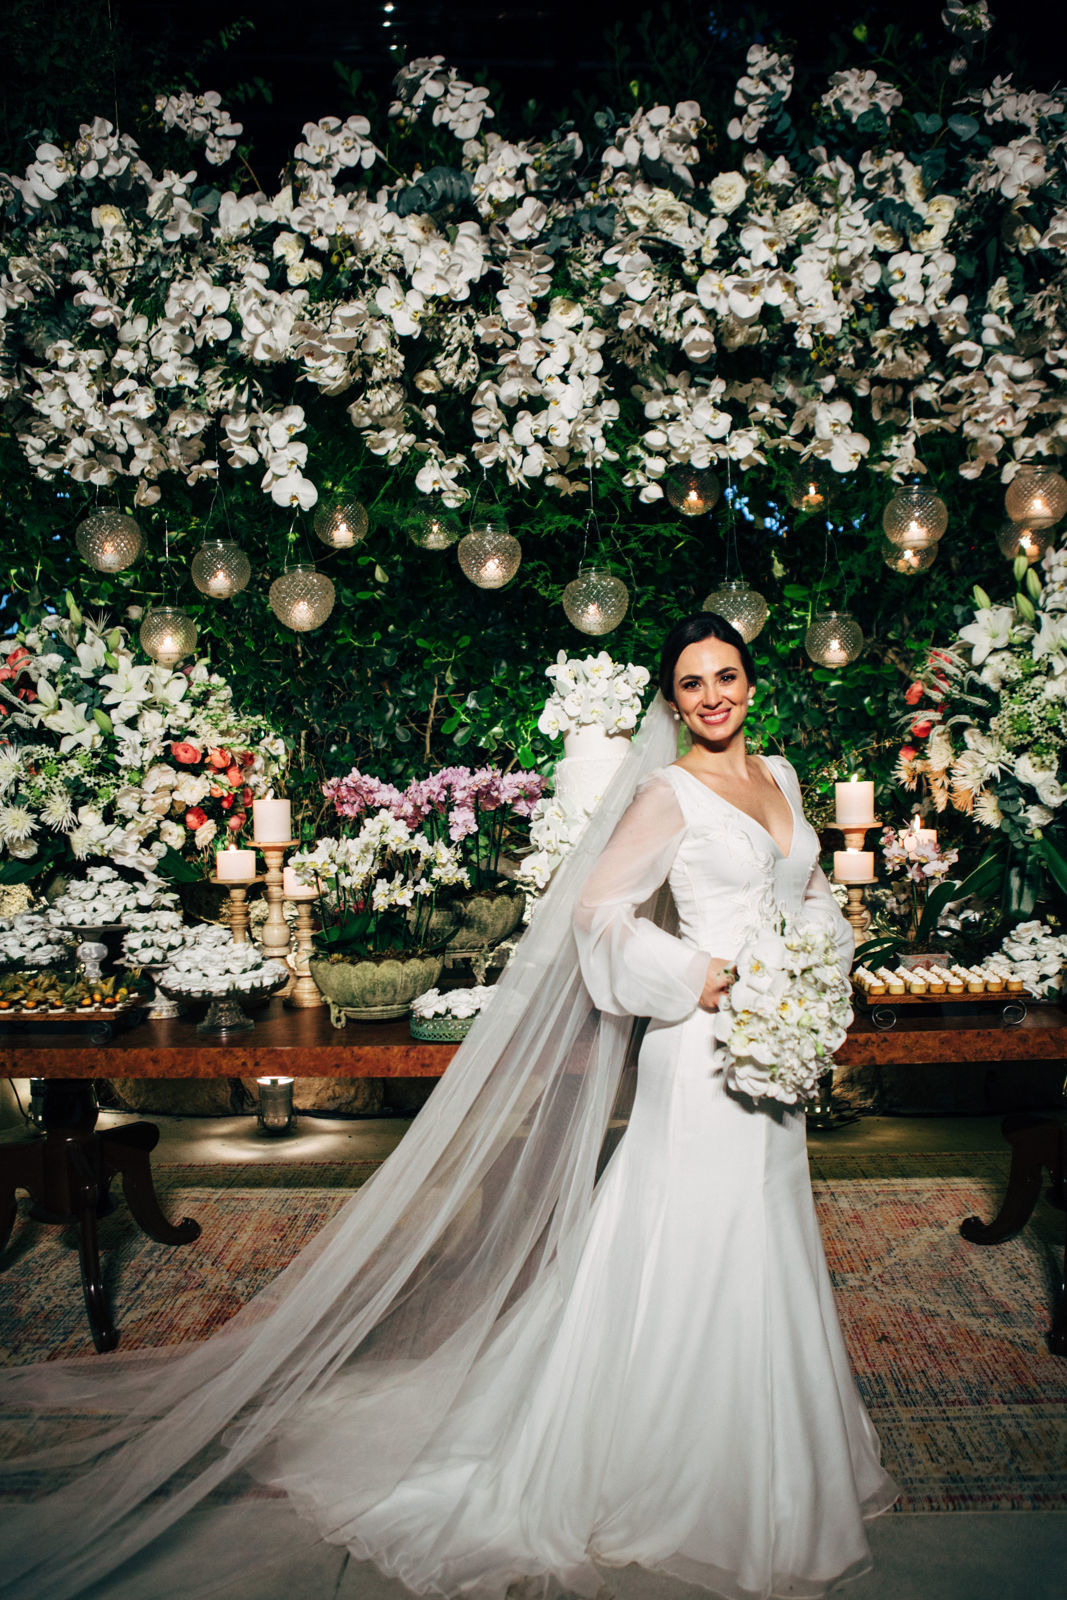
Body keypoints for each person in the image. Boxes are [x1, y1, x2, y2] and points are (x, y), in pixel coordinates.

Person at [0, 614, 895, 1600]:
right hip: (703, 1047)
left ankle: (775, 1456)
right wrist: (700, 973)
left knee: (768, 1235)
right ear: (672, 699)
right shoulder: (664, 793)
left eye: (725, 676)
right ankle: (662, 1462)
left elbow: (803, 888)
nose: (712, 696)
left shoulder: (781, 778)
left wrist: (809, 971)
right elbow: (598, 914)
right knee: (690, 1239)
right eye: (691, 684)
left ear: (749, 682)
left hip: (780, 1045)